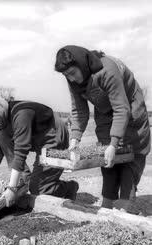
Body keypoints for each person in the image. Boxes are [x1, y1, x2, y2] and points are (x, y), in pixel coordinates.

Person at [54, 45, 151, 211]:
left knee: (128, 155)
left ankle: (125, 203)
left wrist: (114, 144)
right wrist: (74, 140)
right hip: (105, 113)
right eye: (66, 75)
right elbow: (79, 111)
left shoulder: (107, 70)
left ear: (81, 65)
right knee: (106, 158)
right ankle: (108, 201)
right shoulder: (75, 81)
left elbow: (122, 109)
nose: (70, 79)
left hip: (130, 110)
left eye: (72, 73)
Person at [0, 94, 79, 206]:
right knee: (2, 137)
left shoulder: (21, 114)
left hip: (54, 136)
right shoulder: (2, 120)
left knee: (39, 190)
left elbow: (20, 151)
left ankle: (69, 188)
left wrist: (12, 188)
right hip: (38, 138)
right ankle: (25, 179)